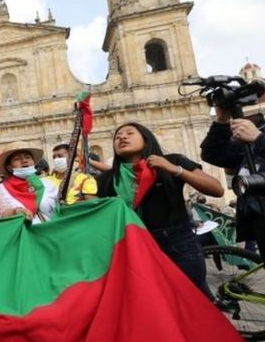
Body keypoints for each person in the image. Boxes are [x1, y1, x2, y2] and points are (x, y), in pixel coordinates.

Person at [98, 122, 224, 298]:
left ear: (146, 139)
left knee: (193, 299)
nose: (122, 137)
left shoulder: (172, 161)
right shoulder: (107, 179)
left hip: (178, 246)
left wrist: (174, 170)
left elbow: (217, 189)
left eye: (129, 133)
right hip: (135, 250)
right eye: (117, 137)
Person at [201, 105, 265, 257]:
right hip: (257, 219)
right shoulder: (248, 141)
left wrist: (259, 138)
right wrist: (222, 121)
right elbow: (212, 154)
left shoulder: (257, 137)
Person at [0, 141, 58, 223]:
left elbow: (60, 210)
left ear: (34, 163)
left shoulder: (48, 184)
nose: (24, 161)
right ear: (9, 167)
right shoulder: (1, 190)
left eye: (27, 157)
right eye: (17, 159)